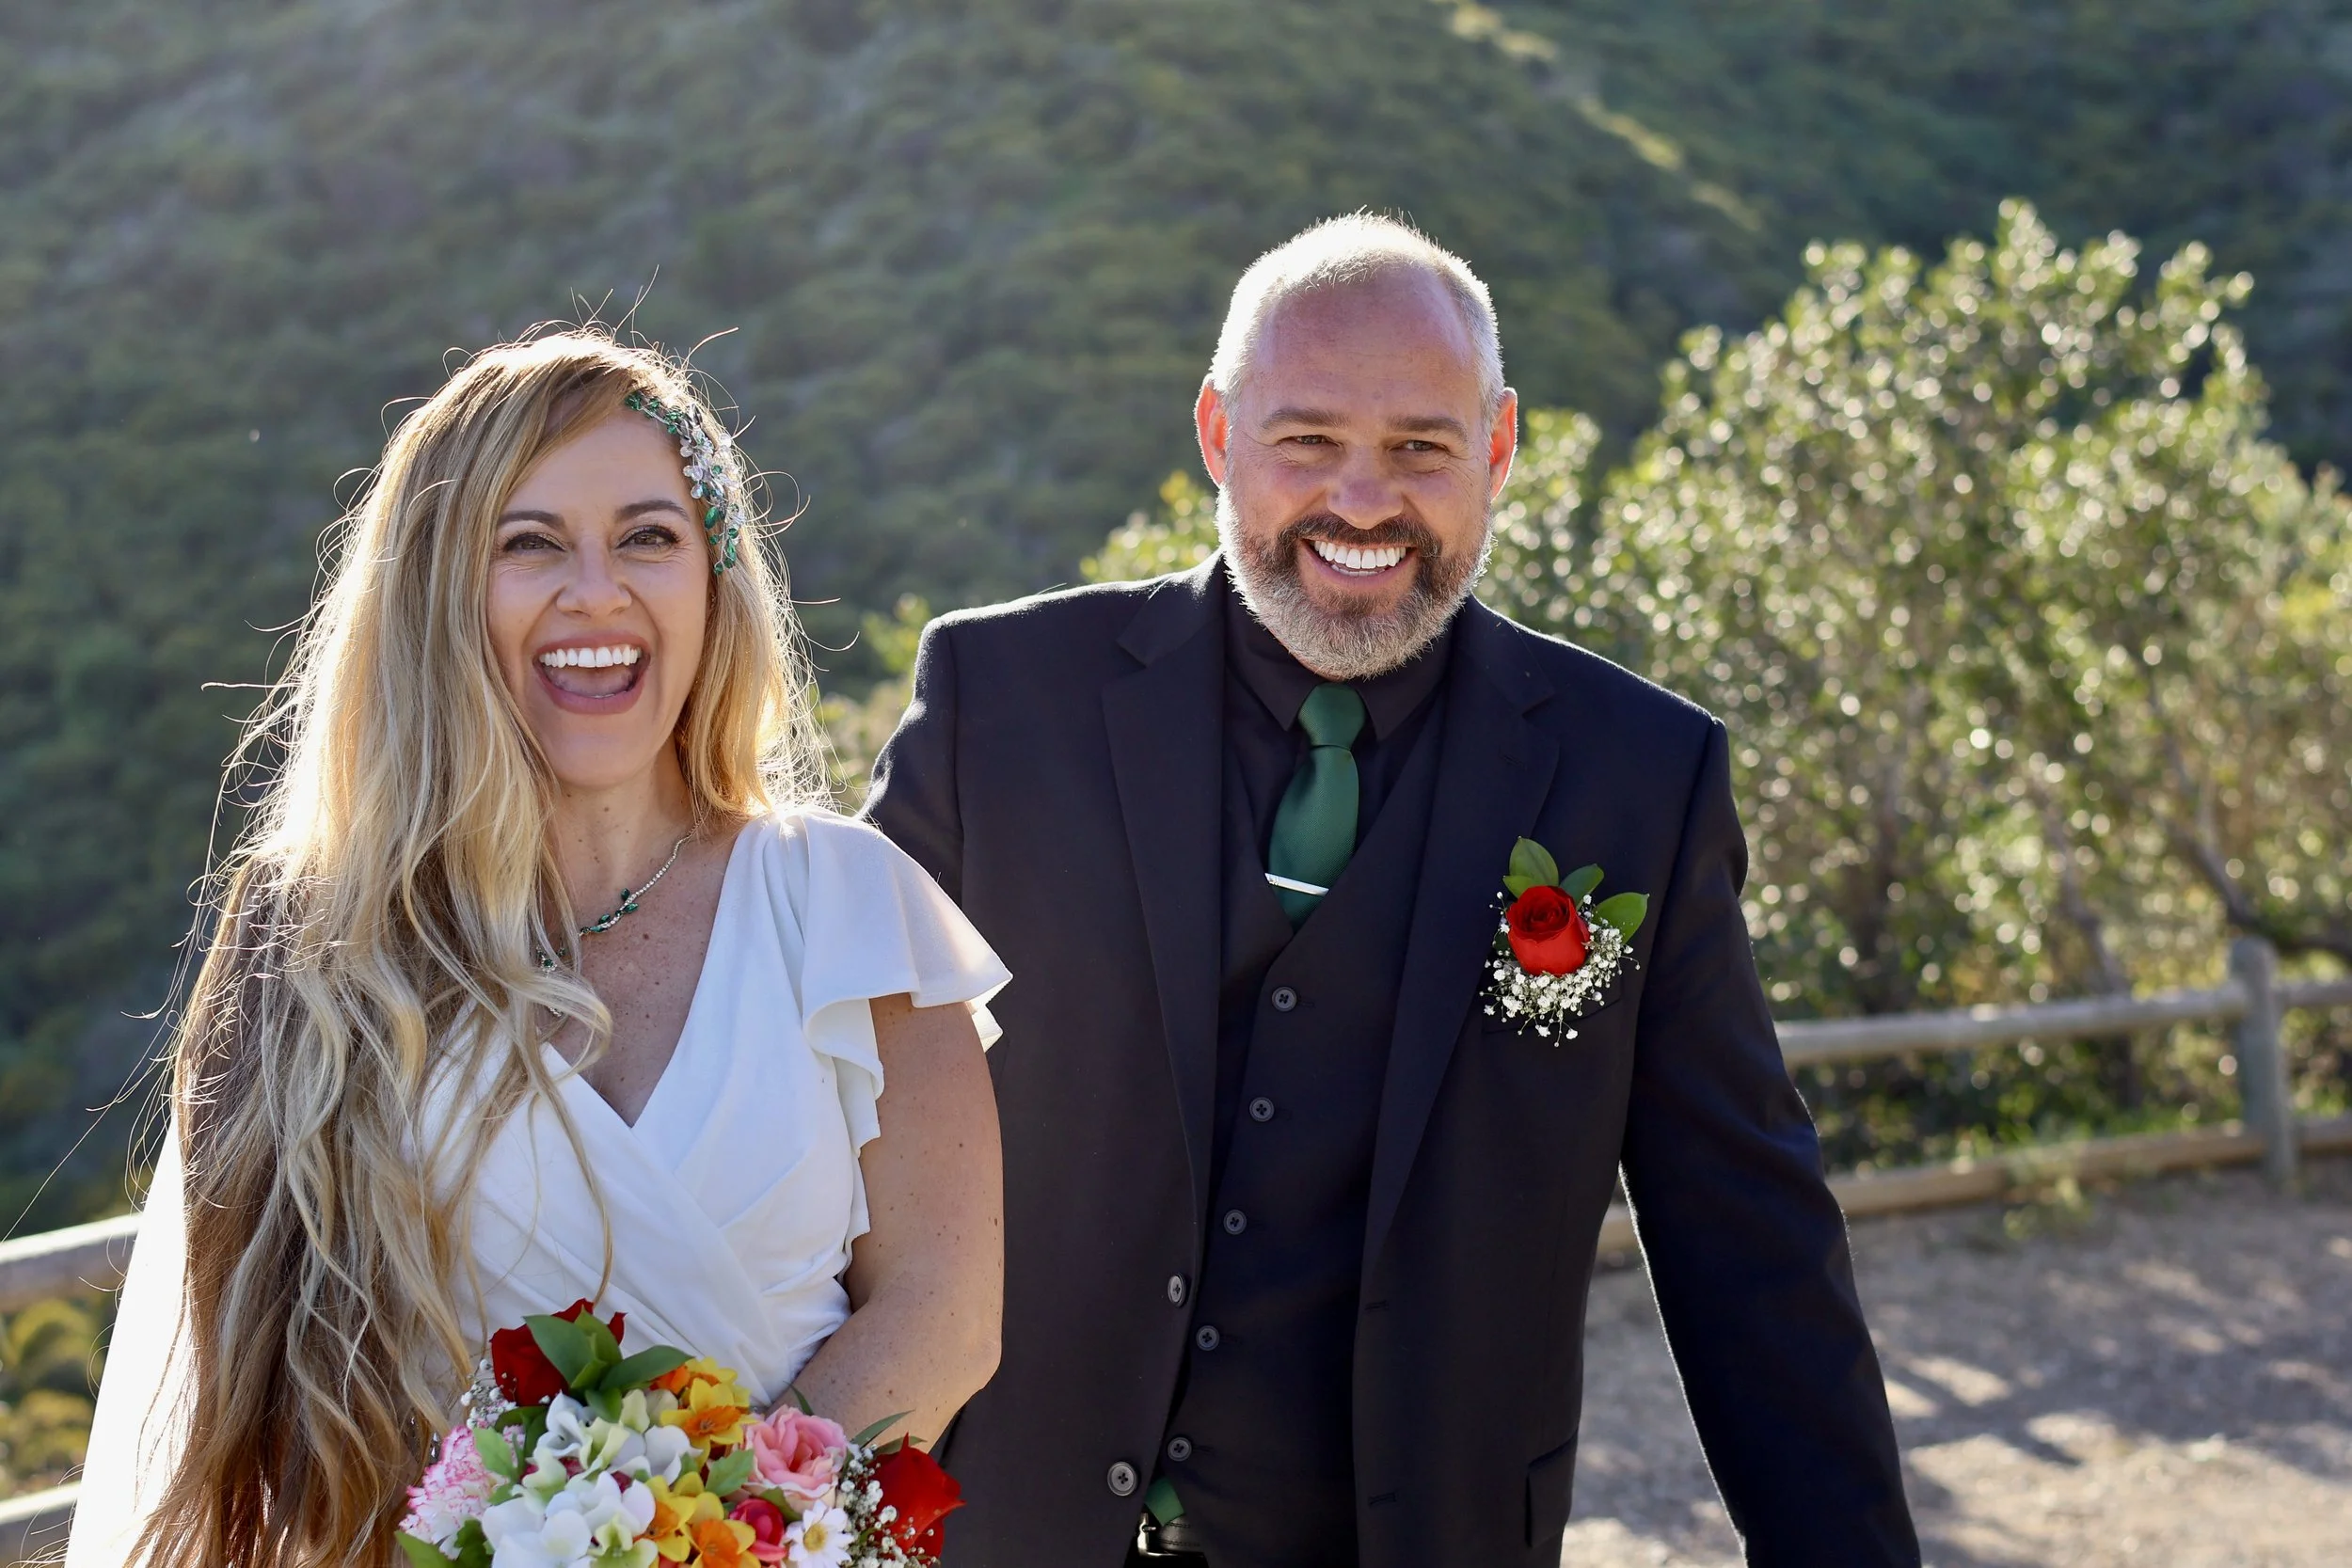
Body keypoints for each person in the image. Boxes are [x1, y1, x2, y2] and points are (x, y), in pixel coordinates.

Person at [865, 214, 1920, 1567]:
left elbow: (1748, 1236)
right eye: (1308, 441)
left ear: (1496, 448)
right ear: (1216, 433)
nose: (1363, 503)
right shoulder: (996, 706)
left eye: (1420, 447)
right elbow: (814, 1100)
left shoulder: (1638, 776)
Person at [70, 332, 1008, 1567]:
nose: (596, 592)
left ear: (713, 580)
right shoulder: (314, 942)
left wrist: (715, 1541)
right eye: (530, 544)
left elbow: (943, 1308)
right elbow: (254, 1393)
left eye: (648, 536)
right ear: (442, 591)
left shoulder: (851, 904)